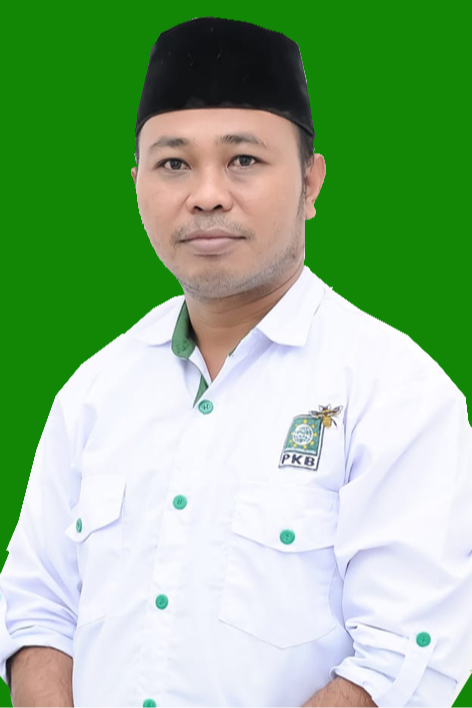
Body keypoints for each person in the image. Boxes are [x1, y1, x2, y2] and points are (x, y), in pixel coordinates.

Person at [0, 15, 471, 708]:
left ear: (311, 183)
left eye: (244, 160)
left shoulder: (396, 391)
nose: (207, 194)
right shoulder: (95, 390)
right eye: (173, 164)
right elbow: (37, 610)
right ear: (137, 184)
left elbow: (403, 656)